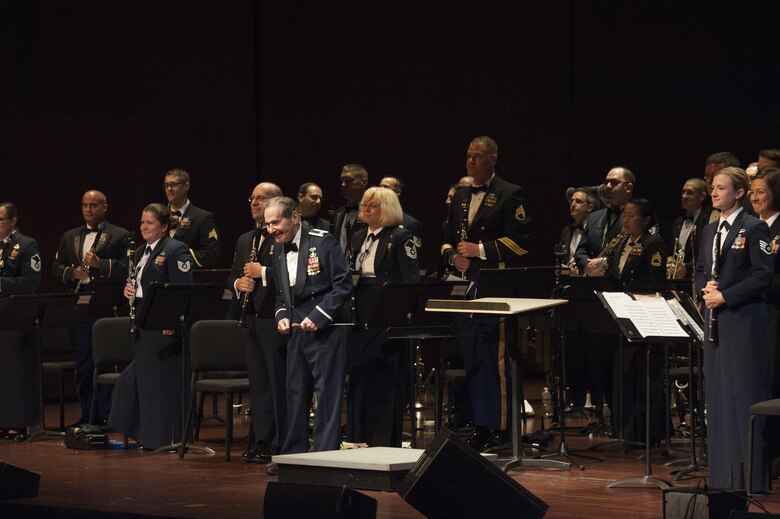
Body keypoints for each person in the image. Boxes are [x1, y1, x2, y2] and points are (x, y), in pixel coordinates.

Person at [441, 136, 531, 450]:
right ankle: (482, 423)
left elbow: (520, 242)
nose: (471, 162)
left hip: (495, 284)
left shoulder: (510, 193)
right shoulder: (462, 194)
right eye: (468, 156)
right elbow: (447, 237)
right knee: (474, 358)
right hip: (464, 285)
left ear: (493, 158)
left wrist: (479, 249)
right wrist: (453, 255)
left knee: (498, 360)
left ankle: (503, 427)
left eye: (478, 157)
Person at [696, 167, 772, 493]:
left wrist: (725, 295)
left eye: (721, 188)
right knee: (718, 400)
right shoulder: (709, 230)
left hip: (742, 323)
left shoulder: (754, 228)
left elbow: (762, 276)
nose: (713, 193)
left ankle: (750, 479)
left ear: (738, 193)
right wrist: (704, 289)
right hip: (715, 325)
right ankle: (722, 479)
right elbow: (701, 270)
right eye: (712, 188)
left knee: (742, 398)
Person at [265, 197, 352, 474]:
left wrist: (318, 316)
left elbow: (343, 284)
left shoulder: (322, 242)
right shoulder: (275, 248)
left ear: (293, 217)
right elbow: (281, 294)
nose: (271, 229)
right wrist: (281, 317)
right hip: (295, 331)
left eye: (275, 222)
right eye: (267, 224)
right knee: (295, 392)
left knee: (326, 395)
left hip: (324, 328)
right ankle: (293, 455)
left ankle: (325, 458)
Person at [108, 203, 194, 450]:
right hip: (145, 324)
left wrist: (171, 320)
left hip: (164, 326)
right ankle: (150, 437)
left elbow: (181, 290)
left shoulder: (176, 249)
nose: (143, 227)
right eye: (142, 222)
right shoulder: (139, 252)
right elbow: (141, 285)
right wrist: (130, 291)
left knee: (163, 384)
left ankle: (168, 438)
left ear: (164, 227)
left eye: (150, 223)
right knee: (147, 383)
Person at [346, 187, 420, 447]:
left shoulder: (401, 237)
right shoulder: (357, 237)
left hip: (387, 313)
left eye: (373, 206)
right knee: (360, 375)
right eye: (364, 205)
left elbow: (410, 282)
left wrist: (398, 315)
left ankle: (383, 440)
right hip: (359, 313)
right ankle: (357, 438)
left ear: (387, 209)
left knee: (385, 378)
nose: (365, 209)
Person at [51, 190, 132, 425]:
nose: (88, 209)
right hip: (79, 306)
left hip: (106, 305)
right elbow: (57, 266)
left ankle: (106, 415)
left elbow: (128, 267)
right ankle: (87, 415)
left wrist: (101, 264)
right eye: (85, 205)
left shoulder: (121, 235)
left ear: (104, 207)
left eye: (94, 205)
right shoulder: (70, 236)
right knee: (83, 364)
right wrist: (71, 273)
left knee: (105, 362)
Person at [228, 182, 287, 463]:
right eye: (252, 198)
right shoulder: (245, 239)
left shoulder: (283, 235)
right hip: (250, 315)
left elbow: (294, 274)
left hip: (274, 316)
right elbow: (232, 275)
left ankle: (281, 442)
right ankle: (263, 440)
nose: (254, 203)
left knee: (277, 381)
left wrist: (262, 271)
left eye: (261, 199)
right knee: (259, 384)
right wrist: (239, 282)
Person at [603, 198, 667, 444]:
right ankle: (625, 431)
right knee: (624, 373)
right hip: (622, 316)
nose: (626, 220)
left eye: (632, 216)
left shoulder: (653, 244)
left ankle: (646, 432)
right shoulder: (620, 244)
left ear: (646, 220)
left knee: (643, 374)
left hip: (643, 316)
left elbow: (655, 282)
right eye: (625, 216)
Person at [0, 202, 42, 438]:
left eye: (0, 220)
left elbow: (31, 282)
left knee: (15, 373)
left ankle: (16, 421)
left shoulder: (26, 245)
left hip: (16, 316)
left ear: (12, 221)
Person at [750, 167, 780, 399]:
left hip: (774, 311)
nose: (755, 197)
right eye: (752, 191)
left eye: (761, 192)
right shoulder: (749, 227)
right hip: (749, 310)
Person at [574, 167, 635, 275]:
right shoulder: (593, 217)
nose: (607, 186)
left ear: (628, 188)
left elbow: (640, 252)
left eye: (614, 182)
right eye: (606, 182)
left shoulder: (639, 216)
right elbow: (580, 252)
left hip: (621, 284)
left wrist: (605, 262)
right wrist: (589, 266)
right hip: (592, 283)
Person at [163, 168, 221, 268]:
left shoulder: (203, 218)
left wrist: (179, 257)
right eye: (166, 185)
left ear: (186, 186)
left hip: (187, 278)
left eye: (173, 184)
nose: (169, 189)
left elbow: (211, 255)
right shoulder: (159, 216)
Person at [667, 178, 716, 280]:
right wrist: (670, 261)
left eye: (690, 193)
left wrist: (687, 268)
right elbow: (672, 250)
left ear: (702, 196)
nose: (684, 196)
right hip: (677, 278)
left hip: (698, 278)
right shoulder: (677, 222)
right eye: (683, 192)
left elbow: (709, 254)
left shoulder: (707, 221)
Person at [331, 164, 368, 261]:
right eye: (342, 181)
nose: (343, 184)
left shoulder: (373, 212)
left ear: (364, 182)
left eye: (349, 180)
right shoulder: (338, 213)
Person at [559, 187, 597, 275]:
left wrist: (579, 274)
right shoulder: (566, 231)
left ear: (590, 207)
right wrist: (564, 269)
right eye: (572, 201)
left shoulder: (596, 231)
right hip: (567, 282)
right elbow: (561, 262)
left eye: (578, 201)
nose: (572, 204)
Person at [378, 176, 423, 250]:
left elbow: (414, 255)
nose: (381, 190)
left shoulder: (411, 224)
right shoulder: (372, 220)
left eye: (386, 187)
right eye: (380, 186)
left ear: (397, 192)